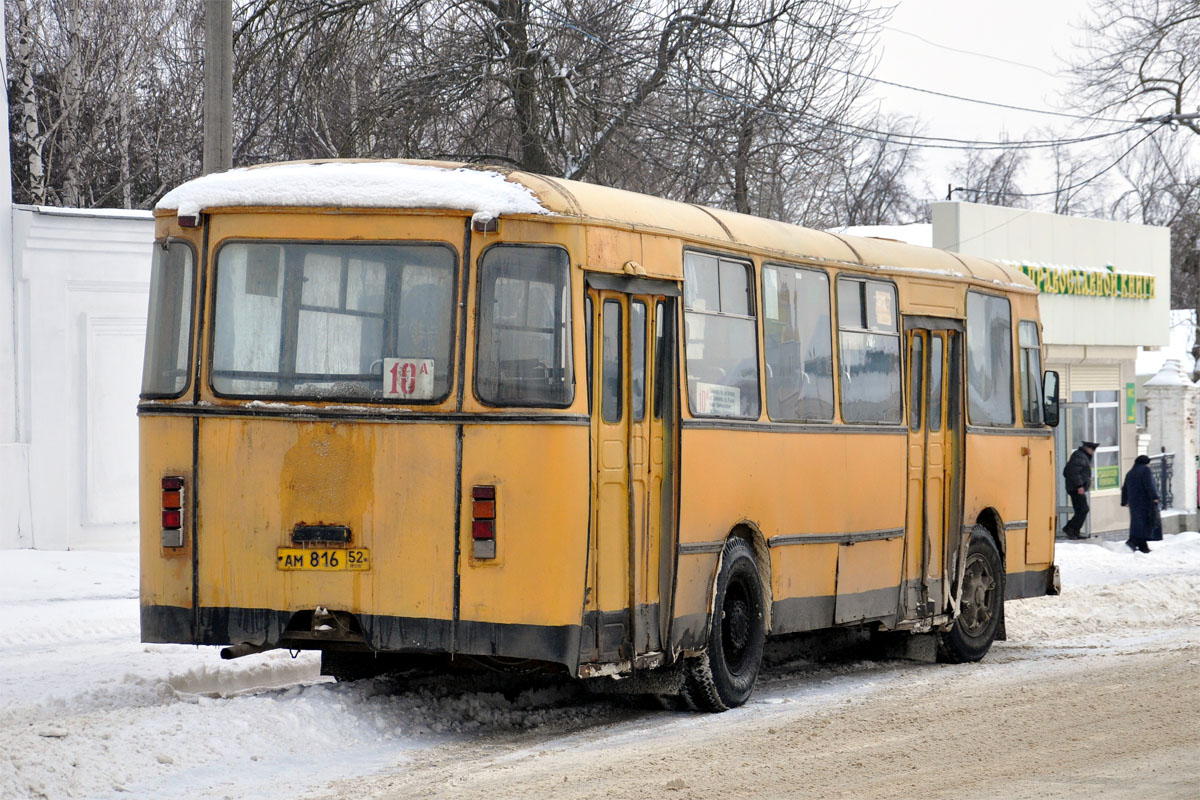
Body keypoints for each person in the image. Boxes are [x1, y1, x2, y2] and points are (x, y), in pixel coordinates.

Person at [1121, 455, 1161, 553]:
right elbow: (1149, 484)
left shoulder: (1130, 473)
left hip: (1134, 502)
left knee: (1137, 523)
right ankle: (1133, 541)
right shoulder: (1145, 470)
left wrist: (1124, 501)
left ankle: (1143, 546)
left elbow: (1125, 488)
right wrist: (1155, 496)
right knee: (1145, 523)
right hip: (1145, 501)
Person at [1062, 441, 1097, 540]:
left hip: (1076, 488)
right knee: (1083, 509)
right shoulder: (1079, 456)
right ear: (1087, 448)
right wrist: (1080, 485)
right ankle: (1070, 528)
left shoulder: (1081, 456)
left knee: (1080, 510)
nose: (1093, 452)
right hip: (1076, 489)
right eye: (1092, 450)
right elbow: (1073, 472)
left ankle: (1074, 531)